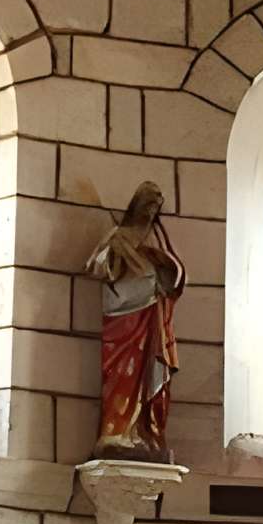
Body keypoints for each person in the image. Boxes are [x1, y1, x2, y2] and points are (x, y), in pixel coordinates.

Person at [88, 182, 187, 461]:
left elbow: (174, 276)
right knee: (123, 374)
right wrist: (117, 258)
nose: (150, 212)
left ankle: (145, 433)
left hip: (151, 316)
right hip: (124, 319)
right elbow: (96, 266)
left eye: (155, 207)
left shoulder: (156, 238)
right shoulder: (119, 236)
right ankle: (116, 432)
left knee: (148, 374)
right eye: (147, 205)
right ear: (136, 206)